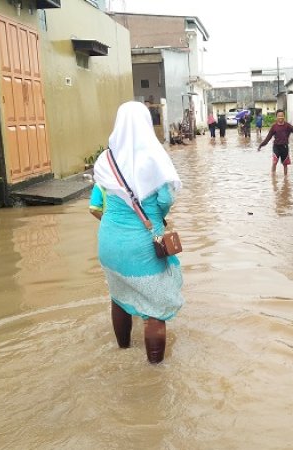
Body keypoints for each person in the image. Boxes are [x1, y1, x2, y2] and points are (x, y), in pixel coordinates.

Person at [92, 101, 184, 364]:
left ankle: (122, 351)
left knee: (118, 295)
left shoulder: (104, 159)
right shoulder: (154, 158)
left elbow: (103, 194)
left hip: (108, 240)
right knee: (154, 307)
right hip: (142, 244)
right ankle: (154, 373)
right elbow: (166, 199)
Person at [257, 109, 293, 176]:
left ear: (284, 116)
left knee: (285, 164)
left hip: (285, 147)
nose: (280, 117)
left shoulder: (287, 126)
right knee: (275, 162)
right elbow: (268, 138)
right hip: (276, 147)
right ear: (276, 117)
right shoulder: (274, 127)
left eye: (282, 116)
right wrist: (261, 145)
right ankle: (273, 177)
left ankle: (285, 178)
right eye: (279, 116)